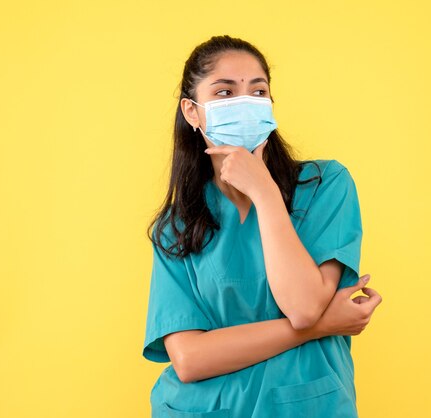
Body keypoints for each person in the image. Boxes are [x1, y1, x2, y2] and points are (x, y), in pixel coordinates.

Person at [142, 35, 383, 418]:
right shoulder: (176, 227)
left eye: (258, 91)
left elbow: (303, 307)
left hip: (305, 406)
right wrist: (322, 326)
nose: (245, 103)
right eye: (224, 92)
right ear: (192, 112)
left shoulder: (324, 186)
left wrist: (264, 192)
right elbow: (188, 359)